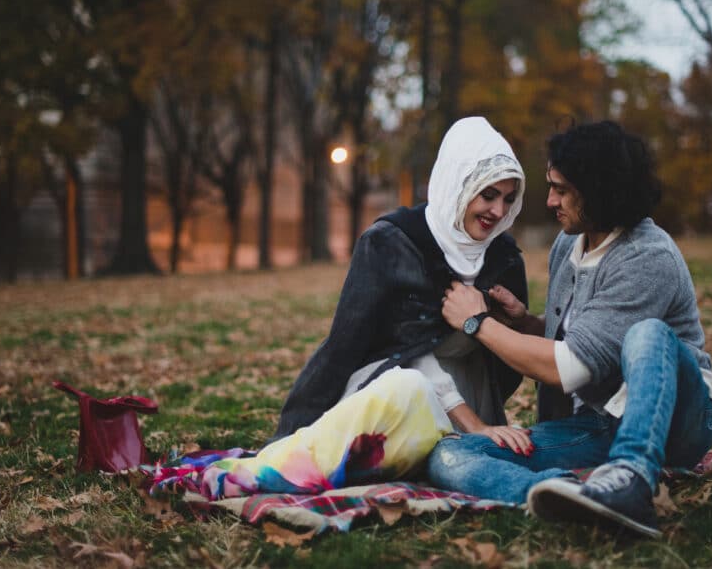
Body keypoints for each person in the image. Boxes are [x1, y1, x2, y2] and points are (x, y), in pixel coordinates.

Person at [153, 117, 534, 499]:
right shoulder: (394, 242)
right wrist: (475, 425)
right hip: (394, 398)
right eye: (488, 195)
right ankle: (253, 475)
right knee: (409, 388)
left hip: (470, 403)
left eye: (508, 198)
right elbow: (390, 351)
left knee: (449, 455)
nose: (498, 211)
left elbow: (519, 356)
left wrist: (513, 325)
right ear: (459, 182)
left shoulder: (503, 258)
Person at [427, 120, 712, 539]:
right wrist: (524, 323)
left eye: (561, 189)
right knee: (449, 455)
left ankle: (632, 479)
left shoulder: (647, 257)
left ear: (599, 190)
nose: (549, 200)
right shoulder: (569, 244)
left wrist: (478, 323)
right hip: (598, 422)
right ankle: (564, 498)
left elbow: (569, 368)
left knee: (648, 334)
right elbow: (587, 338)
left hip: (678, 420)